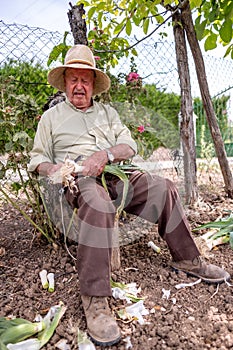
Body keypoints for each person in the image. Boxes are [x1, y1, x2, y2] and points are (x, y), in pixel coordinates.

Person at [28, 44, 230, 347]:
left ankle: (188, 259)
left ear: (93, 84)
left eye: (85, 80)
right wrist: (56, 168)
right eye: (73, 79)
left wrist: (105, 154)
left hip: (114, 173)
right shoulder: (52, 118)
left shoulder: (107, 113)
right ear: (65, 81)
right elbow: (37, 160)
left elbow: (129, 147)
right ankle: (95, 299)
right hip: (79, 179)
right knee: (98, 203)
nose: (79, 86)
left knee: (164, 188)